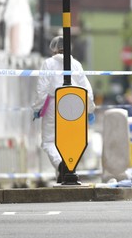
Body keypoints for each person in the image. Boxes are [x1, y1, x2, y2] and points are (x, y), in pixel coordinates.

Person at [32, 36, 95, 183]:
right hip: (76, 105)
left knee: (49, 141)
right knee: (72, 140)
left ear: (53, 49)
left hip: (55, 103)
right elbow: (87, 89)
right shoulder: (76, 64)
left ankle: (62, 167)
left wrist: (37, 108)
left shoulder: (48, 63)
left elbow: (42, 89)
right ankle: (68, 169)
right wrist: (90, 110)